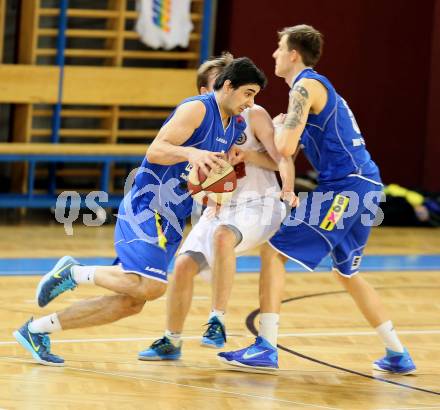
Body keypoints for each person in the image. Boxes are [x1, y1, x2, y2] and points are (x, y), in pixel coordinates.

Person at [13, 57, 267, 366]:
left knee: (131, 302)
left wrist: (211, 193)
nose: (251, 102)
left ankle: (36, 330)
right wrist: (190, 151)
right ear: (228, 86)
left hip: (175, 217)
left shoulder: (234, 125)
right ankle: (73, 273)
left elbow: (199, 174)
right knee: (154, 286)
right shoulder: (197, 109)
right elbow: (155, 151)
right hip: (148, 207)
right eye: (248, 93)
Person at [218, 24, 416, 375]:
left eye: (280, 48)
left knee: (274, 250)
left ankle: (265, 345)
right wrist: (257, 149)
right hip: (365, 185)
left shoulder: (305, 86)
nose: (275, 54)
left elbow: (284, 148)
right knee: (347, 274)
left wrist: (278, 127)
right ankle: (398, 353)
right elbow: (285, 155)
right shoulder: (315, 92)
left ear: (294, 54)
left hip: (346, 188)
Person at [137, 53, 290, 360]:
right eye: (205, 89)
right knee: (182, 265)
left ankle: (217, 320)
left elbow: (282, 158)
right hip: (222, 206)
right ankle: (172, 340)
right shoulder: (208, 120)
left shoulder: (252, 114)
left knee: (222, 236)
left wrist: (254, 157)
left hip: (259, 202)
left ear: (226, 84)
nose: (209, 94)